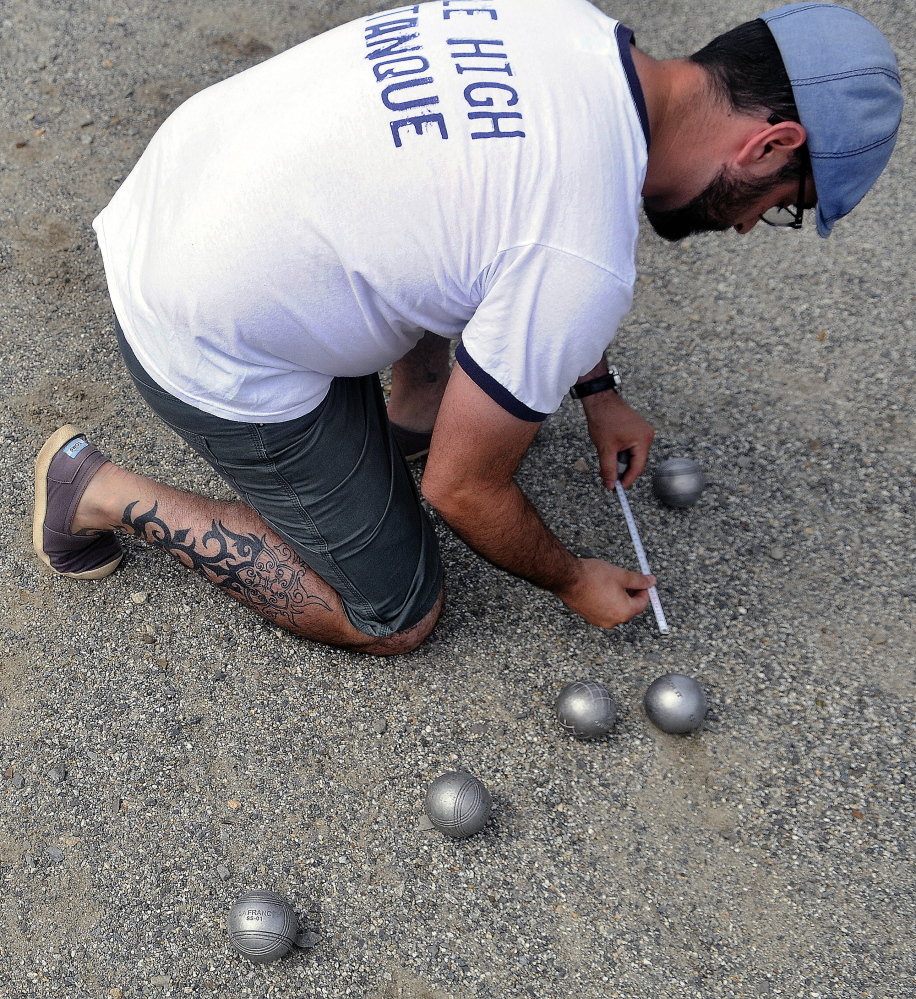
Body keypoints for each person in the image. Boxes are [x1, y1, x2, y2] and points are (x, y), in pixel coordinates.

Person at [33, 0, 902, 655]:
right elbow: (462, 492)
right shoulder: (581, 254)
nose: (753, 224)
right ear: (770, 143)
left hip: (180, 190)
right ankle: (94, 490)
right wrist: (572, 578)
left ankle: (414, 404)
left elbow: (514, 216)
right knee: (395, 613)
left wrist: (596, 389)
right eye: (788, 203)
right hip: (193, 327)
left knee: (458, 220)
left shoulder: (573, 28)